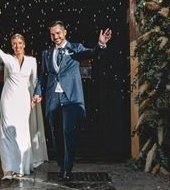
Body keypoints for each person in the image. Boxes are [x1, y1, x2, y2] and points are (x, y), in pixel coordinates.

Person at [33, 21, 112, 181]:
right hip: (53, 98)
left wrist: (101, 45)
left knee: (68, 132)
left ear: (65, 32)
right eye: (52, 34)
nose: (55, 36)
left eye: (58, 33)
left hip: (70, 98)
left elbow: (91, 53)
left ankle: (67, 168)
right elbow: (42, 75)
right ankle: (62, 163)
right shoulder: (47, 53)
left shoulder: (75, 48)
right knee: (56, 134)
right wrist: (37, 92)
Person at [0, 19, 47, 179]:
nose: (17, 46)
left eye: (20, 43)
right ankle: (7, 169)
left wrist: (35, 96)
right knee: (6, 133)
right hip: (8, 99)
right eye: (14, 43)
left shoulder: (32, 61)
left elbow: (34, 82)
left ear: (24, 44)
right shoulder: (8, 59)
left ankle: (20, 168)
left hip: (24, 100)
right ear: (12, 46)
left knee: (21, 133)